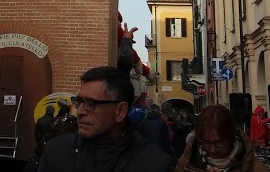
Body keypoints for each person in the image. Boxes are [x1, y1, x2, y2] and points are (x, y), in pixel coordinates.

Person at [38, 66, 173, 172]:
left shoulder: (153, 164)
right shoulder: (57, 151)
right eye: (79, 101)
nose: (80, 111)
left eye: (90, 103)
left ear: (120, 111)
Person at [175, 105, 270, 172]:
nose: (213, 149)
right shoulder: (185, 165)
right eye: (207, 142)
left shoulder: (256, 168)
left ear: (231, 137)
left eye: (220, 142)